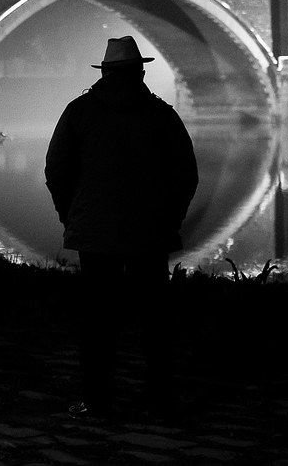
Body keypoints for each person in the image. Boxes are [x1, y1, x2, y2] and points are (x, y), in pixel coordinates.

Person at [45, 35, 198, 420]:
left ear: (105, 72)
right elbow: (186, 175)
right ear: (141, 72)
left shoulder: (79, 112)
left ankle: (97, 402)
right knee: (154, 322)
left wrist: (72, 216)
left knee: (98, 321)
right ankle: (159, 399)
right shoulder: (162, 115)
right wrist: (171, 219)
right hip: (151, 234)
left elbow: (56, 171)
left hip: (95, 235)